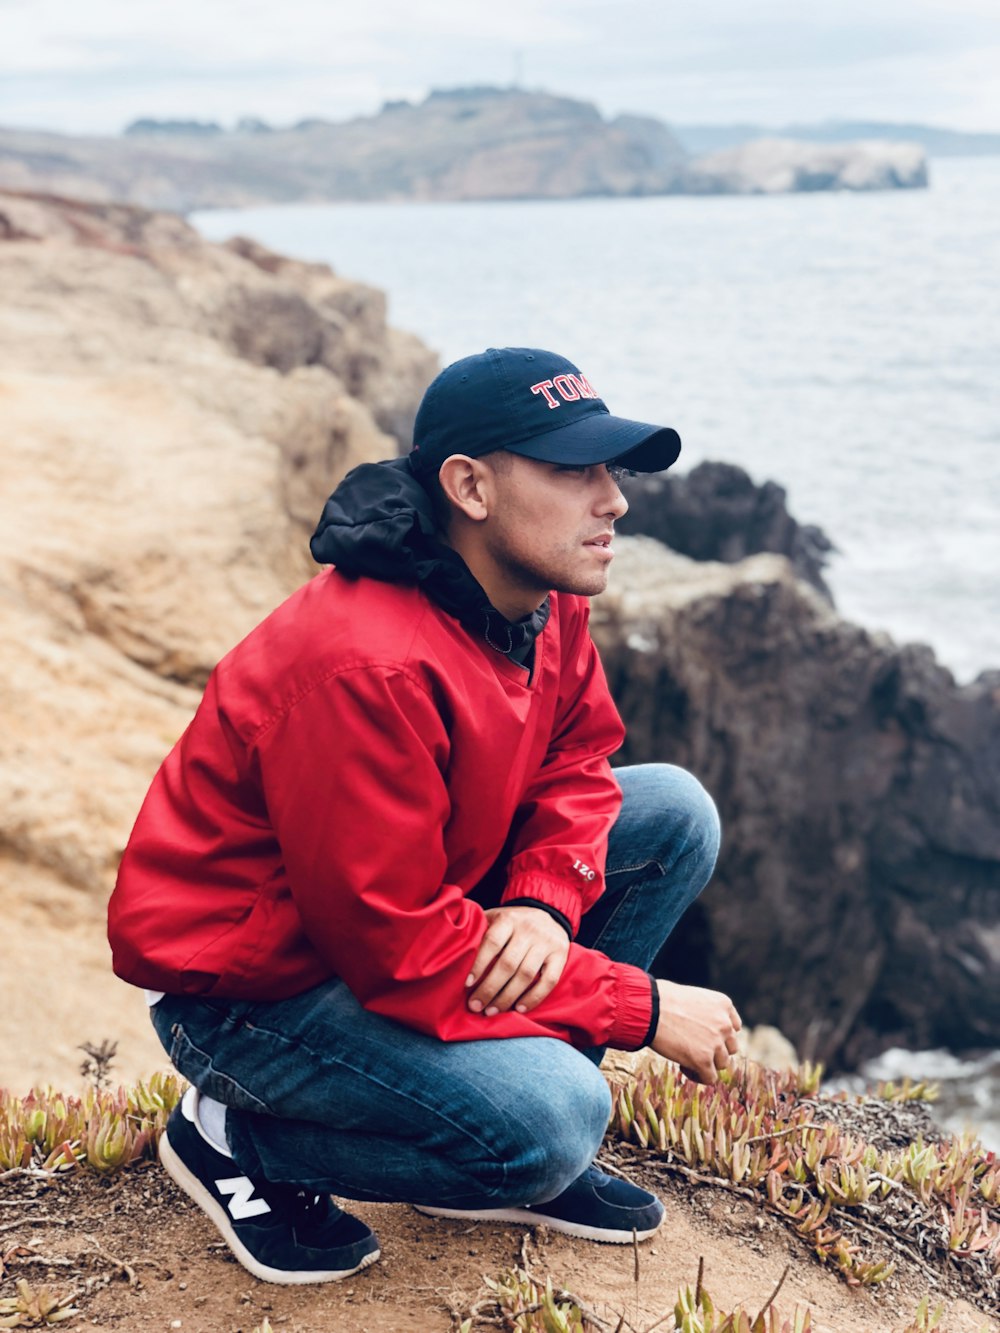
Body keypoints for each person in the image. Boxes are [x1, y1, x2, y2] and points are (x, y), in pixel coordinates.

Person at [108, 346, 741, 1287]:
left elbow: (578, 755)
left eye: (610, 471)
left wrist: (540, 904)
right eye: (575, 471)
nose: (614, 502)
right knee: (556, 1122)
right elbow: (392, 943)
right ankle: (234, 1136)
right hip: (253, 992)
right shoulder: (366, 665)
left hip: (399, 913)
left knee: (674, 813)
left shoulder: (536, 595)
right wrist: (636, 1005)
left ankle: (475, 1116)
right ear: (470, 486)